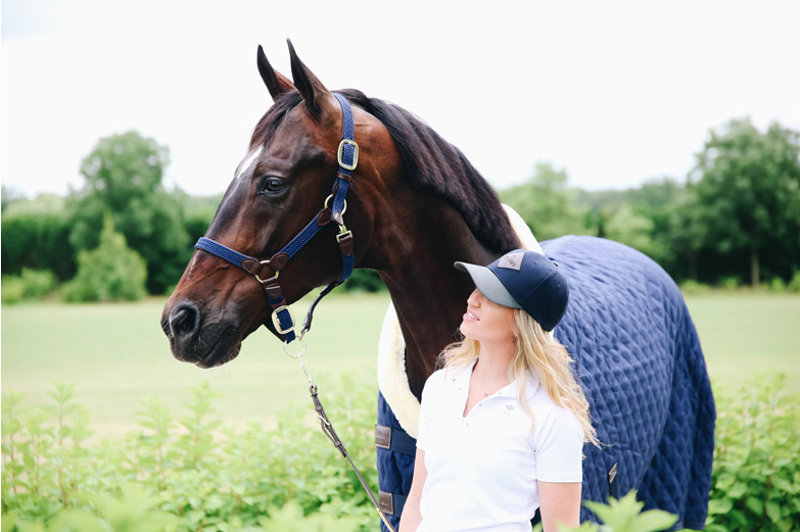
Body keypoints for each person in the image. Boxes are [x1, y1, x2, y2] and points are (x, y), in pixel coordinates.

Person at [399, 249, 601, 532]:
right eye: (478, 287)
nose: (473, 299)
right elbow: (418, 501)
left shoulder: (553, 415)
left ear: (522, 323)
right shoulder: (440, 385)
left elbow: (561, 529)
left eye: (491, 295)